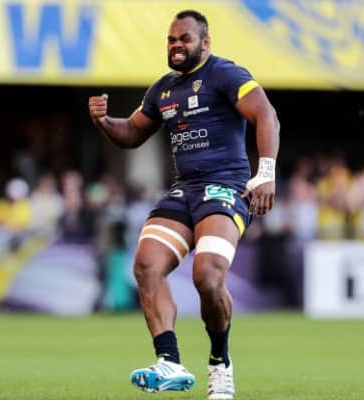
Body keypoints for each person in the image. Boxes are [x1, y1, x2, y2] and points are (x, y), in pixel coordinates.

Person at [88, 10, 280, 399]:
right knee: (146, 264)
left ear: (204, 43)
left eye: (185, 39)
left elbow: (266, 115)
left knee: (206, 276)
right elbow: (132, 133)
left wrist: (265, 172)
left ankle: (220, 362)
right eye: (171, 39)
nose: (176, 45)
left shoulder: (225, 74)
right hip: (184, 190)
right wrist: (104, 121)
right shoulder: (163, 89)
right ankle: (169, 361)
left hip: (225, 187)